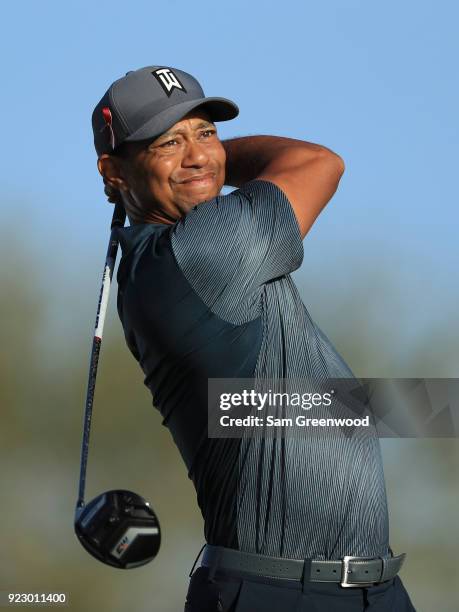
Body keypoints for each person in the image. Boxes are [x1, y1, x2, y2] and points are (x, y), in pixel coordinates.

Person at [92, 65, 416, 611]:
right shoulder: (193, 256)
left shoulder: (206, 257)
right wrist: (216, 166)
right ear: (113, 171)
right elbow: (320, 164)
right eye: (168, 142)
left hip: (374, 591)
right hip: (276, 593)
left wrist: (434, 409)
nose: (198, 155)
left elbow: (308, 411)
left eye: (207, 133)